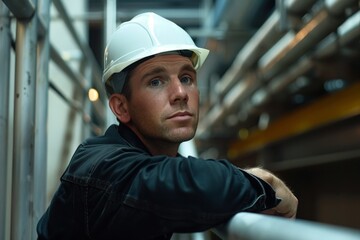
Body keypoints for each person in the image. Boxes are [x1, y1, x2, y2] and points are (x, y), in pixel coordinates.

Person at [37, 12, 297, 240]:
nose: (180, 93)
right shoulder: (101, 166)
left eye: (186, 77)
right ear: (121, 107)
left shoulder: (142, 155)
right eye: (156, 82)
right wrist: (266, 185)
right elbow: (187, 184)